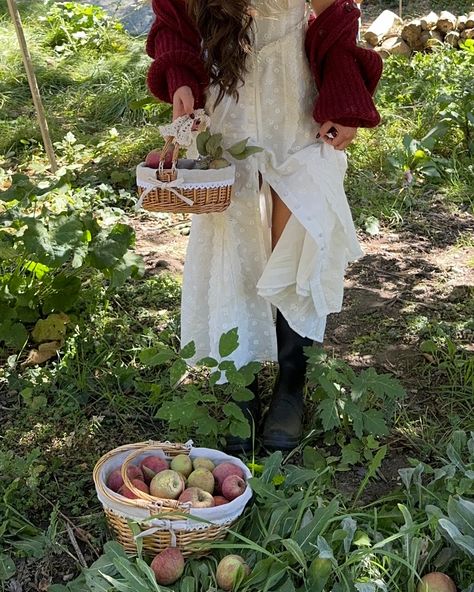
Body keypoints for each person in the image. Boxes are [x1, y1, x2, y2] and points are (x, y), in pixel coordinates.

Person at [145, 0, 382, 453]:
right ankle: (243, 385)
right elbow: (174, 18)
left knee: (294, 240)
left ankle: (292, 385)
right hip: (225, 107)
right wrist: (182, 80)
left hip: (293, 106)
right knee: (236, 243)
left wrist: (343, 90)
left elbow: (335, 14)